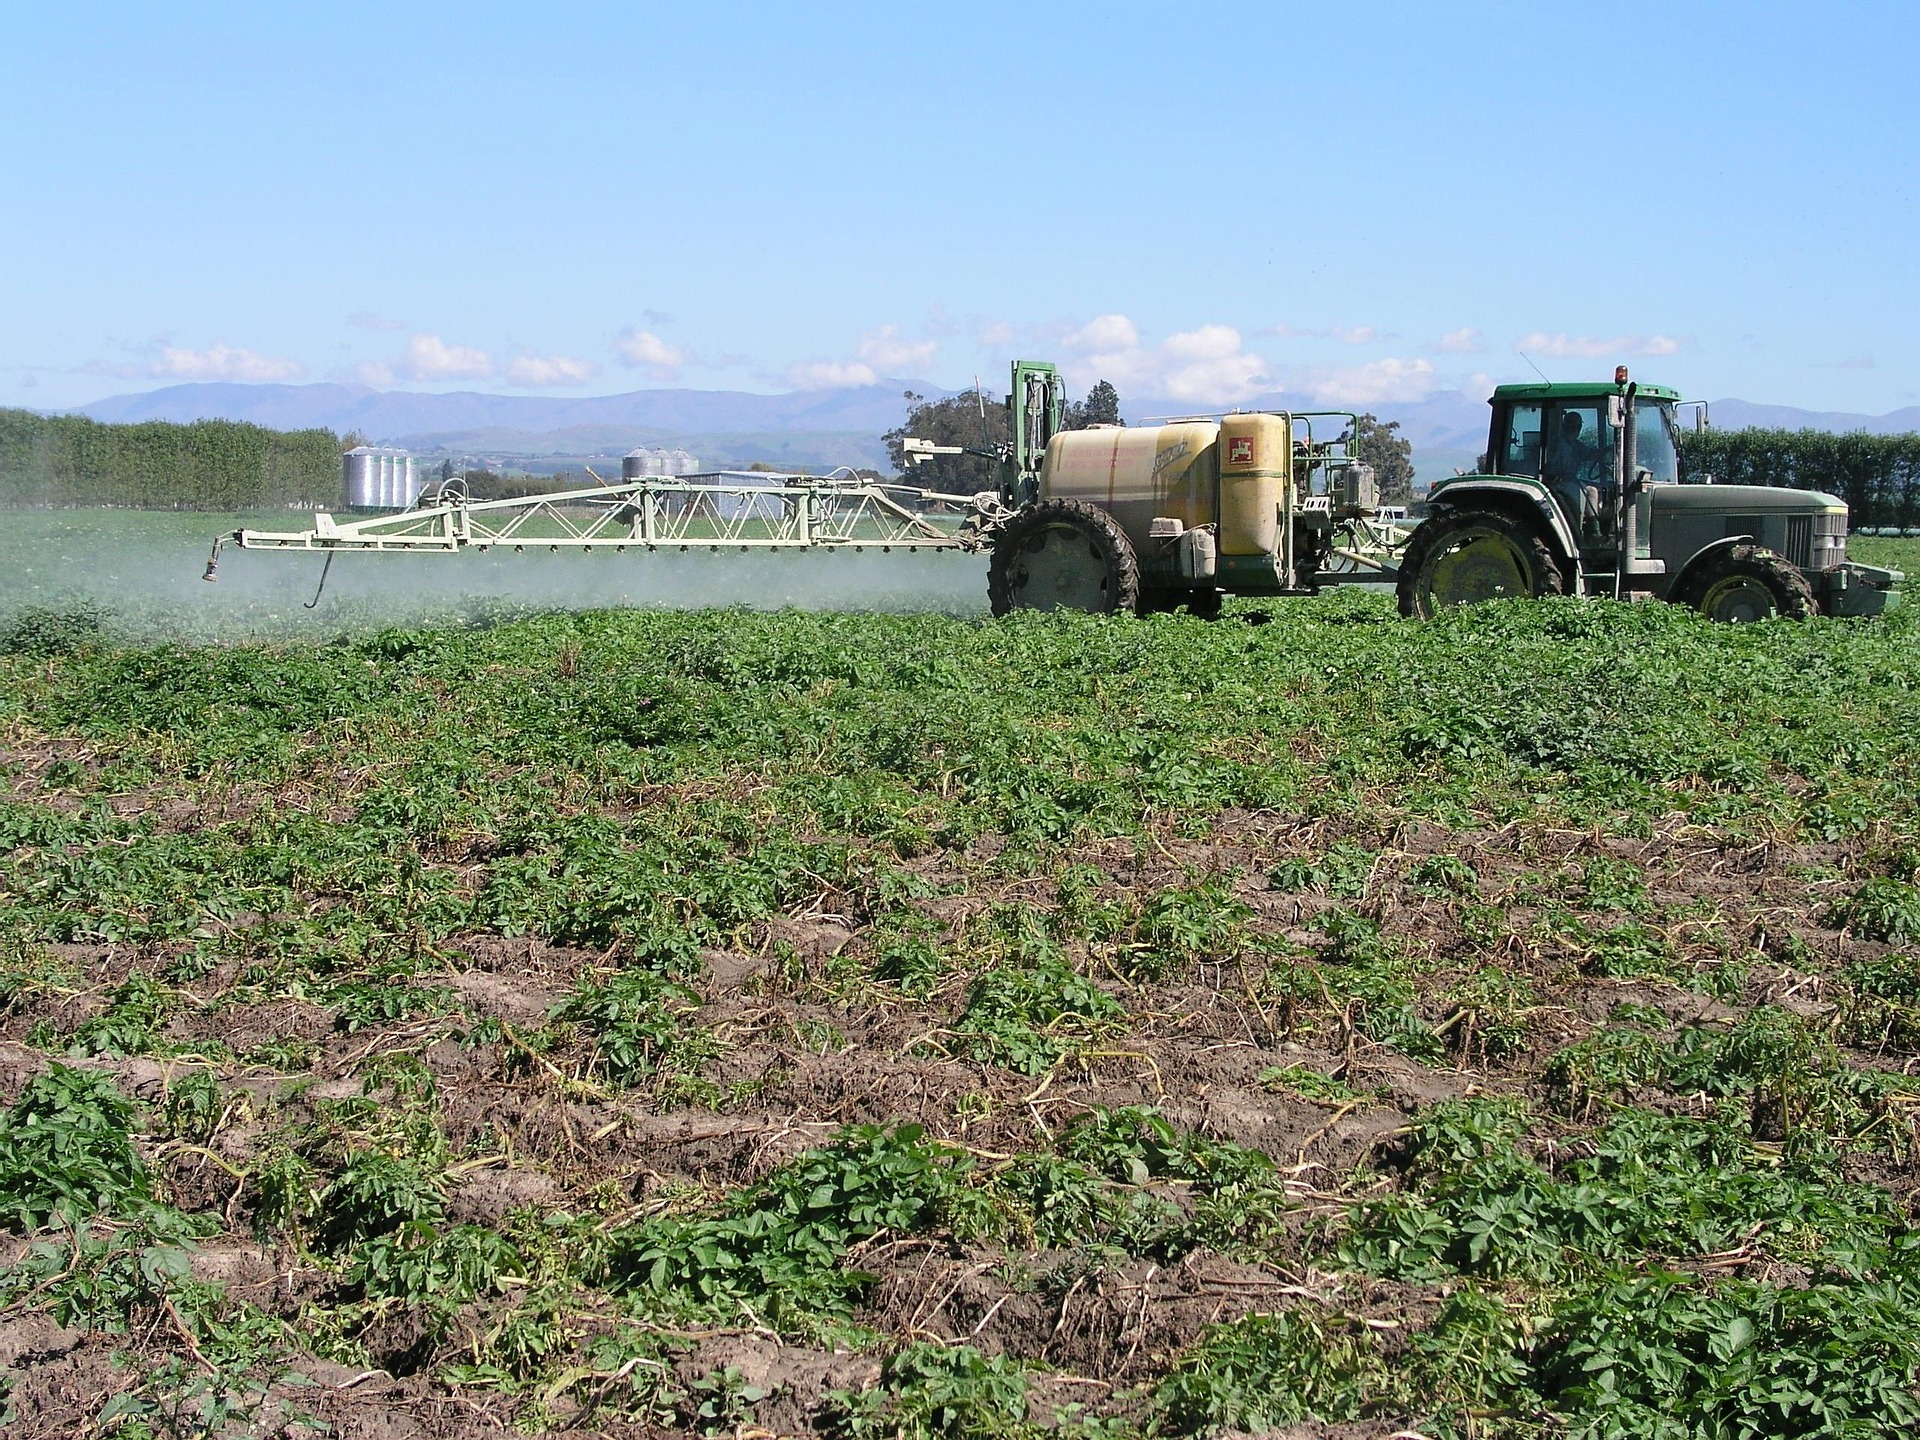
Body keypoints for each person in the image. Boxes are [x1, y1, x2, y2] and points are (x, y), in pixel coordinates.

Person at [1543, 411, 1607, 541]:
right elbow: (1549, 464)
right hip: (1556, 482)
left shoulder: (1576, 445)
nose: (1575, 429)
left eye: (1576, 426)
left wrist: (1607, 450)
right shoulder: (1556, 444)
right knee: (1578, 492)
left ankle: (1594, 533)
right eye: (1573, 426)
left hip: (1571, 481)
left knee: (1592, 491)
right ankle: (1576, 535)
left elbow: (1590, 454)